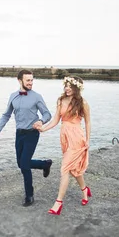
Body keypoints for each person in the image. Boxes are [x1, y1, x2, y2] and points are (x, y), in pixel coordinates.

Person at [0, 69, 53, 207]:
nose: (31, 83)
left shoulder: (37, 96)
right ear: (20, 81)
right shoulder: (13, 96)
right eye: (28, 80)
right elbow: (6, 115)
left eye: (32, 80)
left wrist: (41, 121)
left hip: (32, 133)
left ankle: (29, 195)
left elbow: (47, 114)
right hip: (19, 134)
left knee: (24, 165)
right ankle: (44, 164)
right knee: (20, 163)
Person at [37, 76, 91, 216]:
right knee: (73, 169)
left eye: (70, 86)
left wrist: (88, 140)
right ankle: (85, 190)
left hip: (77, 137)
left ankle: (58, 203)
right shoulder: (61, 100)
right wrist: (44, 128)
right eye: (65, 85)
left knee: (65, 168)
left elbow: (88, 123)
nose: (67, 88)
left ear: (77, 88)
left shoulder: (82, 103)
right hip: (65, 136)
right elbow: (56, 119)